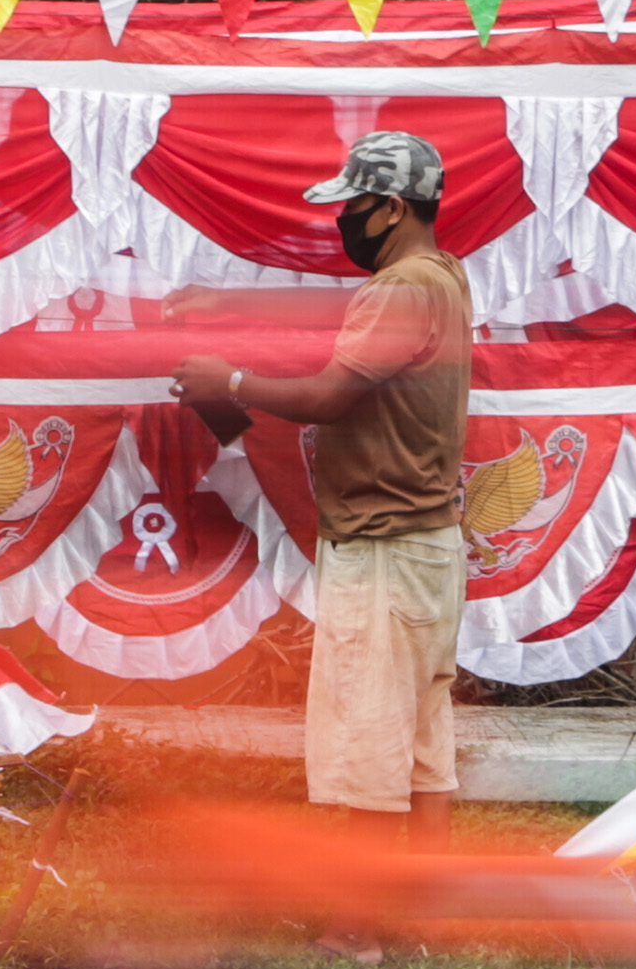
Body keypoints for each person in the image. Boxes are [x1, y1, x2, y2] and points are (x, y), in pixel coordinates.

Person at [171, 132, 473, 848]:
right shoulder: (442, 275)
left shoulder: (399, 289)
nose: (344, 221)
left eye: (355, 206)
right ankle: (426, 894)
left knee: (371, 747)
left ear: (392, 208)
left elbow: (329, 398)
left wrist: (231, 381)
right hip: (428, 548)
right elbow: (341, 311)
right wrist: (226, 300)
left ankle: (363, 909)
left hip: (381, 551)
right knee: (423, 744)